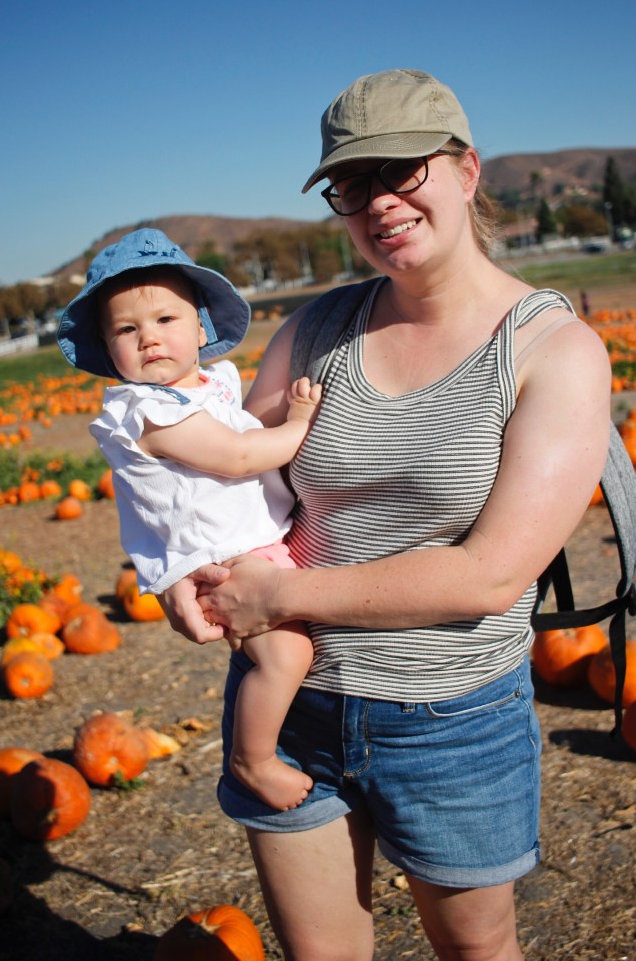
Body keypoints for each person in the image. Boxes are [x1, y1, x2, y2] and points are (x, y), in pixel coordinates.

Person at [160, 69, 613, 961]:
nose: (379, 202)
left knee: (474, 950)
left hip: (448, 718)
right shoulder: (314, 329)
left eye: (404, 171)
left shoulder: (554, 351)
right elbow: (233, 496)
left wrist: (280, 601)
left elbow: (488, 575)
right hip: (288, 705)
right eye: (352, 184)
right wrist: (181, 570)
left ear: (468, 170)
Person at [57, 228, 320, 811]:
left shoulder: (210, 385)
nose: (149, 338)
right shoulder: (146, 411)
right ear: (109, 351)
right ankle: (252, 760)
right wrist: (299, 423)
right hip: (225, 556)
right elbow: (239, 455)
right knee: (289, 655)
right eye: (127, 330)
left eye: (165, 320)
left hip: (253, 541)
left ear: (201, 329)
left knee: (289, 650)